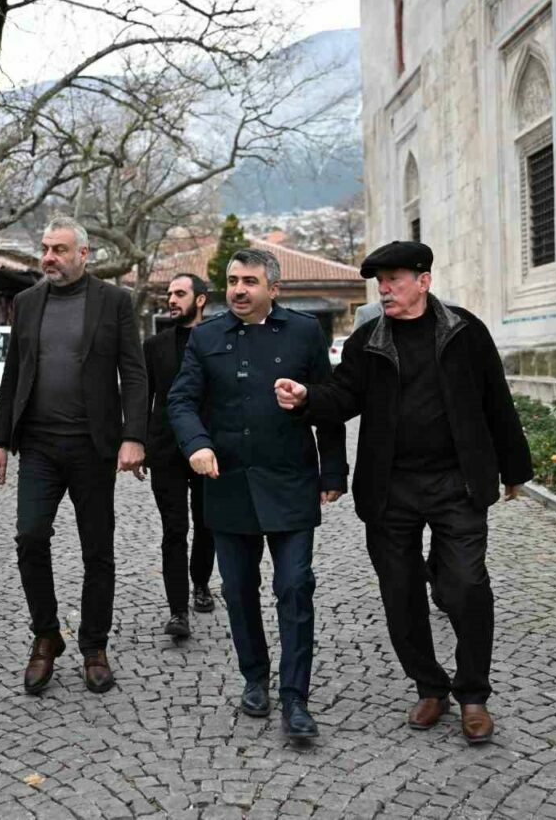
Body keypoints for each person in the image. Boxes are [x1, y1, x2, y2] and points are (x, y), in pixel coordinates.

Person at [274, 240, 533, 745]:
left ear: (424, 281)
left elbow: (496, 401)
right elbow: (342, 396)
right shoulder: (368, 340)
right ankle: (430, 686)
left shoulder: (465, 332)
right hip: (390, 487)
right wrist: (307, 399)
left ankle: (473, 694)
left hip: (456, 483)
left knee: (466, 585)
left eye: (394, 280)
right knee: (400, 591)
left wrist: (513, 468)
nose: (385, 290)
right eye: (380, 282)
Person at [168, 247, 347, 741]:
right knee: (238, 590)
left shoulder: (305, 332)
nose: (239, 290)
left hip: (290, 481)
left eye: (249, 281)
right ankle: (254, 678)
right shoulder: (206, 337)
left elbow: (329, 402)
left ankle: (296, 698)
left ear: (274, 288)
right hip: (228, 483)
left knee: (295, 586)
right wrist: (196, 444)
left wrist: (333, 470)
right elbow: (181, 400)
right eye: (232, 281)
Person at [0, 216, 148, 696]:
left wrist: (133, 436)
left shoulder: (114, 301)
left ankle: (94, 645)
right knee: (30, 536)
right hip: (38, 445)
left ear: (84, 253)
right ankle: (46, 635)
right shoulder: (27, 302)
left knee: (97, 549)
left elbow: (134, 373)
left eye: (59, 249)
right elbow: (13, 373)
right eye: (45, 248)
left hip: (92, 446)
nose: (48, 257)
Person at [142, 273, 216, 640]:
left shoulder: (219, 339)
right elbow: (144, 397)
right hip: (165, 450)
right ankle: (177, 611)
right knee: (174, 529)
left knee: (206, 523)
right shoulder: (154, 346)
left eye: (180, 293)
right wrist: (137, 442)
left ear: (200, 299)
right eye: (169, 294)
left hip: (208, 448)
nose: (171, 299)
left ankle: (200, 582)